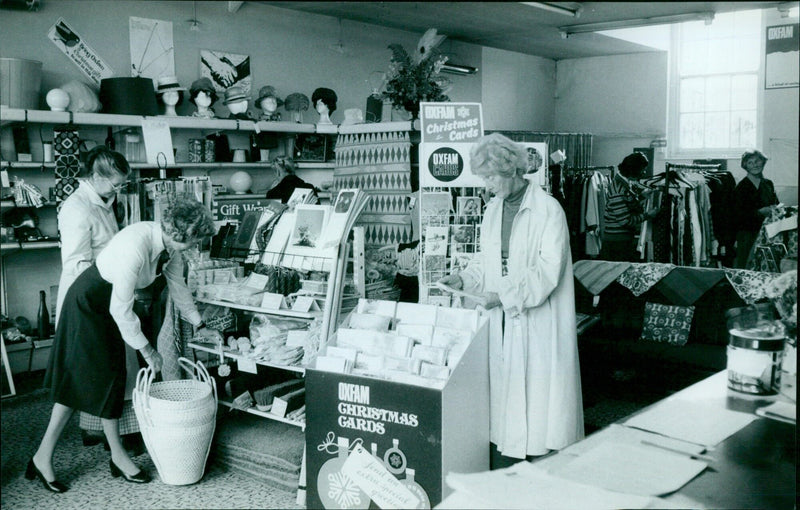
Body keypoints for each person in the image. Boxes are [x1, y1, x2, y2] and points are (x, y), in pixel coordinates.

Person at [28, 198, 222, 493]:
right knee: (80, 381)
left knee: (113, 379)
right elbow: (121, 309)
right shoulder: (136, 244)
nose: (195, 248)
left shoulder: (170, 249)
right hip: (89, 306)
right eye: (194, 241)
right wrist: (147, 350)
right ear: (180, 233)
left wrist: (201, 324)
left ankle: (114, 456)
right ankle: (45, 458)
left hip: (109, 308)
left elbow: (178, 289)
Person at [437, 133, 583, 469]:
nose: (486, 186)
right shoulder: (492, 210)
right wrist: (464, 278)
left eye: (489, 177)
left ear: (511, 170)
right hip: (502, 315)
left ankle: (541, 466)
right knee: (508, 387)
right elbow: (484, 259)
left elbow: (548, 271)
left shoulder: (548, 210)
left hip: (536, 316)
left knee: (540, 393)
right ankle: (508, 457)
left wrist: (502, 296)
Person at [54, 146, 145, 452]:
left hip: (106, 290)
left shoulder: (104, 200)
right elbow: (76, 263)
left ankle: (109, 433)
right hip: (89, 295)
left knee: (112, 365)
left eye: (122, 184)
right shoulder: (77, 208)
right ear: (94, 176)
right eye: (114, 183)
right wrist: (114, 273)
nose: (118, 189)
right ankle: (107, 436)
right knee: (97, 368)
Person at [600, 152, 659, 261]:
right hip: (616, 243)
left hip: (620, 240)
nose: (644, 172)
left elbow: (627, 203)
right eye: (642, 170)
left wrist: (642, 196)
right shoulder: (618, 188)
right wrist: (647, 215)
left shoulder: (625, 183)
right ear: (633, 170)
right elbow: (625, 220)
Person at [733, 149, 779, 268]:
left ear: (763, 162)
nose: (755, 165)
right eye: (750, 162)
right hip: (748, 234)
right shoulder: (741, 188)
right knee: (747, 265)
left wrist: (775, 208)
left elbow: (776, 203)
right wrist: (759, 212)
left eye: (757, 161)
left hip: (768, 231)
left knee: (766, 264)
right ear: (745, 166)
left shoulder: (768, 183)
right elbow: (736, 215)